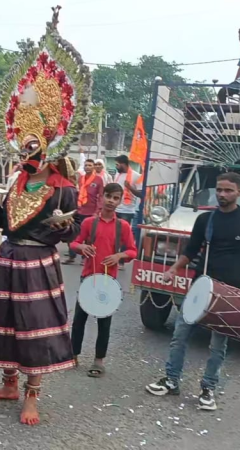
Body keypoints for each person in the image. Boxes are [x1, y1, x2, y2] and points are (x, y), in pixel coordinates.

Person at [0, 6, 90, 426]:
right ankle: (8, 384)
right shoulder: (19, 182)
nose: (26, 155)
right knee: (3, 323)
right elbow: (7, 222)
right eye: (23, 147)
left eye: (33, 149)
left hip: (39, 265)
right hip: (8, 259)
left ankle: (32, 395)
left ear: (49, 149)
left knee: (34, 328)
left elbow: (73, 227)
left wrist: (65, 226)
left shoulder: (62, 186)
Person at [145, 172, 240, 411]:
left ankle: (208, 389)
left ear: (239, 193)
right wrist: (173, 268)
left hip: (229, 294)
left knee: (218, 346)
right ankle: (172, 380)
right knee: (179, 336)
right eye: (219, 190)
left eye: (227, 190)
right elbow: (191, 250)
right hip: (200, 288)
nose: (222, 195)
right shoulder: (206, 220)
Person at [69, 183, 137, 377]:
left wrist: (119, 256)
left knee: (104, 322)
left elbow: (133, 250)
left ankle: (99, 360)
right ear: (102, 197)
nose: (111, 201)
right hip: (88, 278)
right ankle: (73, 355)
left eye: (116, 198)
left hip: (109, 282)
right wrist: (81, 248)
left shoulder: (122, 226)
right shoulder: (89, 223)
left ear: (120, 201)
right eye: (108, 196)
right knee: (79, 319)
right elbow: (74, 242)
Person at [65, 159, 104, 264]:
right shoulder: (81, 178)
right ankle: (71, 256)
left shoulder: (98, 180)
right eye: (86, 165)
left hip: (91, 212)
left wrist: (98, 210)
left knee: (89, 236)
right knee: (73, 233)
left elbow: (101, 196)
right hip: (79, 209)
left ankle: (85, 257)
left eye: (90, 165)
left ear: (93, 167)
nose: (87, 167)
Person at [113, 155, 144, 224]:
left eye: (117, 164)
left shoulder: (136, 176)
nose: (116, 166)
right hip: (115, 209)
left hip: (127, 211)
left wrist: (129, 187)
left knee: (123, 232)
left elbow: (141, 194)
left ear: (123, 164)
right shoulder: (117, 175)